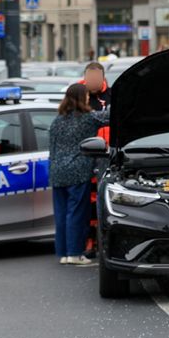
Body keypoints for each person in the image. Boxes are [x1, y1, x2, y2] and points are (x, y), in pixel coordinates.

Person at [49, 83, 110, 265]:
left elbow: (52, 149)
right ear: (81, 98)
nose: (87, 99)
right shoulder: (87, 118)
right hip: (78, 171)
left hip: (57, 172)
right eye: (85, 96)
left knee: (61, 214)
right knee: (76, 213)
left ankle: (64, 254)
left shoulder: (57, 120)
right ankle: (75, 253)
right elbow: (108, 116)